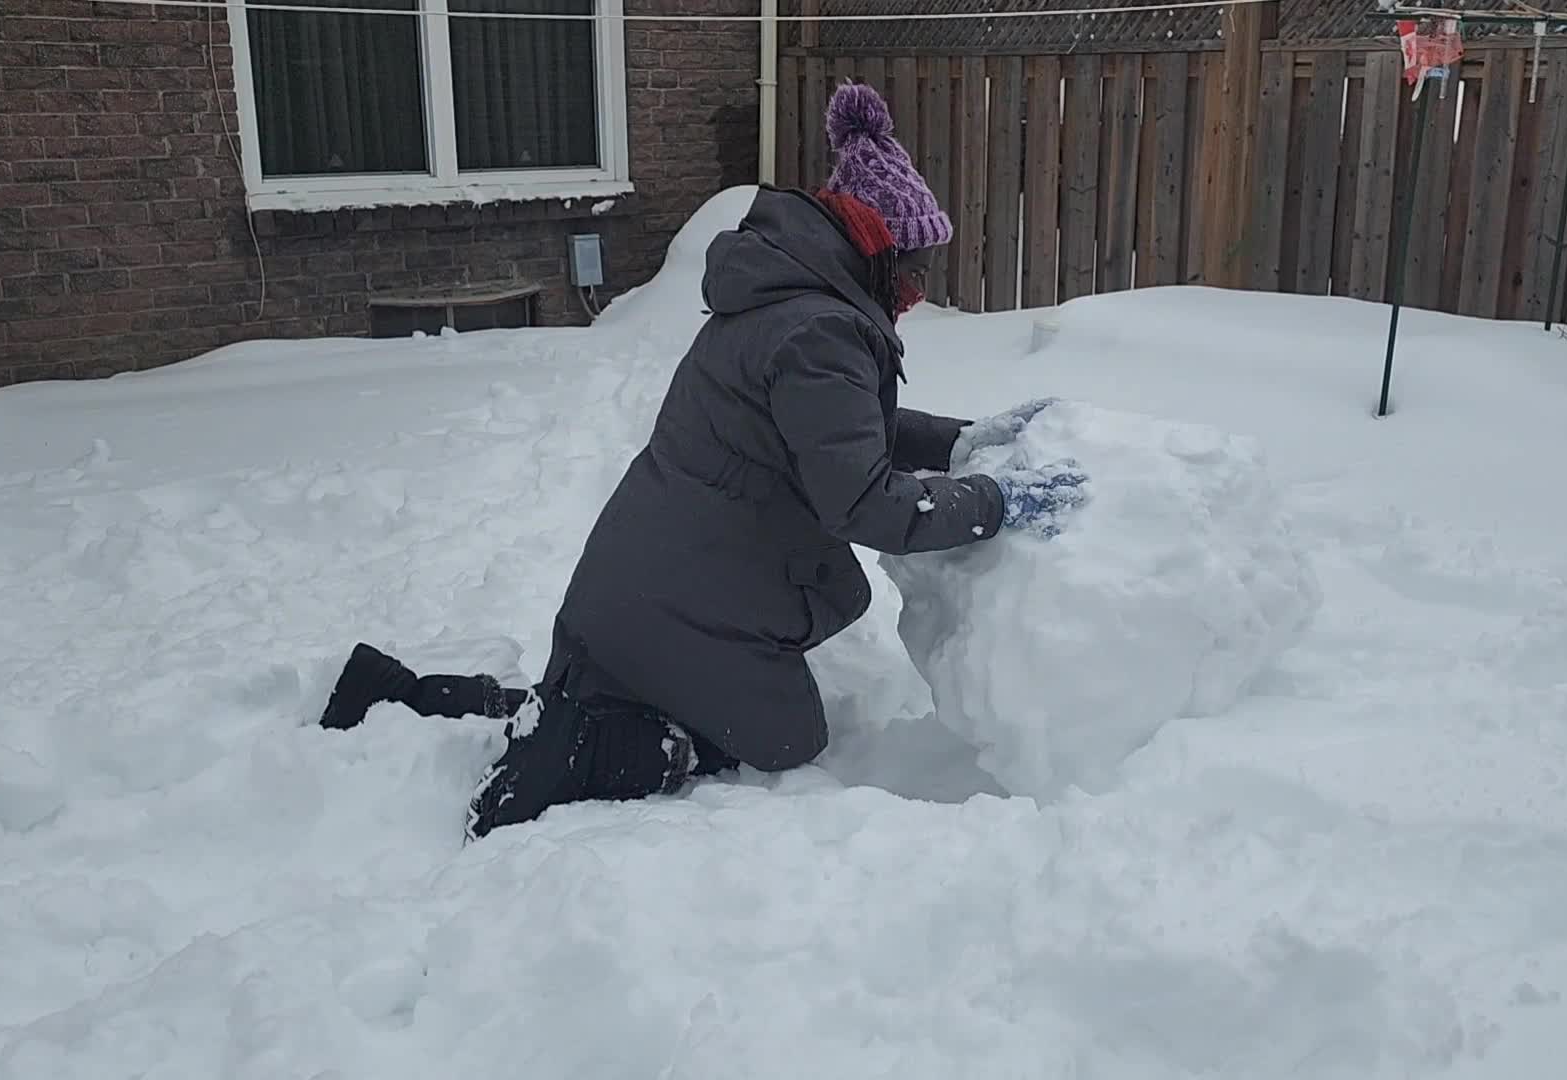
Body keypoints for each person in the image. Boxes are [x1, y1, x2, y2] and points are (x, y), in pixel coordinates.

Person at [316, 82, 1083, 839]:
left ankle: (415, 699)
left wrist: (959, 440)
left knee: (613, 696)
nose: (919, 288)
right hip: (686, 610)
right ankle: (569, 751)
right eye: (914, 268)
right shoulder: (820, 331)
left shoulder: (786, 298)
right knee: (788, 743)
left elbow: (837, 429)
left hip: (638, 587)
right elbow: (867, 504)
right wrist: (994, 501)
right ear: (876, 249)